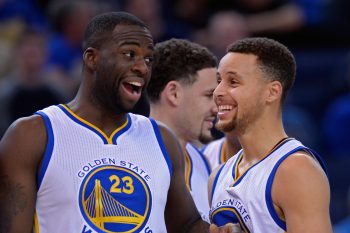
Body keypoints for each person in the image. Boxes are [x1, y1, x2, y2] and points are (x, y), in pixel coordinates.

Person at [0, 12, 212, 233]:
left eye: (148, 59)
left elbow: (187, 226)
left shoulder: (162, 139)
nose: (142, 67)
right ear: (92, 58)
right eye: (130, 54)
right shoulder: (32, 135)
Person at [208, 37, 332, 232]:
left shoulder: (295, 170)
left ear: (272, 92)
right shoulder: (217, 176)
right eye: (218, 81)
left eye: (233, 81)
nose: (217, 91)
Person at [147, 38, 218, 222]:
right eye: (209, 95)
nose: (216, 108)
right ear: (174, 93)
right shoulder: (128, 160)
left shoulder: (202, 162)